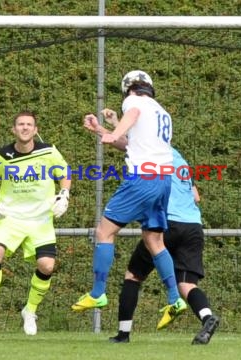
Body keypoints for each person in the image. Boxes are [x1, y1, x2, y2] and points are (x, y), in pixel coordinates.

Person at [84, 115, 220, 345]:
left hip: (168, 222)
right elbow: (196, 196)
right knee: (187, 284)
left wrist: (99, 129)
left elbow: (124, 143)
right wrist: (116, 121)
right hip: (193, 226)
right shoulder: (177, 157)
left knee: (133, 276)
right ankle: (208, 317)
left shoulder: (152, 155)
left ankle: (123, 333)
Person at [72, 70, 186, 331]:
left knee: (104, 231)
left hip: (141, 179)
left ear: (128, 89)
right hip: (163, 180)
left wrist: (115, 130)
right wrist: (104, 129)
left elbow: (131, 116)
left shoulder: (134, 101)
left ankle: (98, 292)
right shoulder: (161, 111)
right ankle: (174, 298)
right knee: (153, 240)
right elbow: (133, 145)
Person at [0, 110, 71, 335]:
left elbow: (64, 172)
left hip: (40, 219)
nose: (25, 128)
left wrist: (64, 194)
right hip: (9, 218)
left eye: (29, 124)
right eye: (20, 124)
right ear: (13, 129)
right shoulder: (0, 154)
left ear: (35, 129)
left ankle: (29, 311)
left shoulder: (49, 151)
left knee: (47, 266)